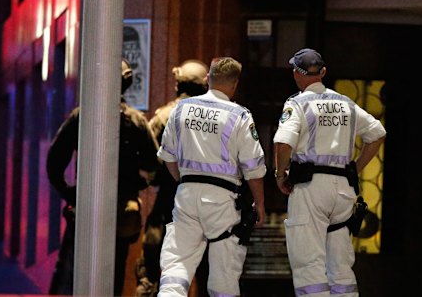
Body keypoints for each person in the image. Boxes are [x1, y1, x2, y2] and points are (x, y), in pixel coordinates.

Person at [273, 48, 386, 297]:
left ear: (296, 74)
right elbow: (377, 134)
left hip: (311, 188)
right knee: (341, 264)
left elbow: (283, 143)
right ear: (323, 72)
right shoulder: (346, 103)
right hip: (343, 190)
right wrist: (356, 167)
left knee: (308, 263)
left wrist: (280, 175)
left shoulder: (297, 103)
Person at [46, 59, 159, 296]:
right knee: (114, 276)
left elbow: (54, 163)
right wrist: (138, 184)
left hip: (85, 210)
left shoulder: (81, 116)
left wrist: (70, 192)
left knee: (73, 275)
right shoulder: (137, 121)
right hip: (122, 214)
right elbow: (155, 166)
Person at [156, 56, 267, 297]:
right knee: (224, 275)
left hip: (186, 194)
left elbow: (168, 156)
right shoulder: (240, 116)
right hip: (222, 201)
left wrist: (185, 182)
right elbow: (254, 168)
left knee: (176, 269)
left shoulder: (181, 109)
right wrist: (259, 203)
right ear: (235, 84)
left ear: (208, 79)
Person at [135, 59, 210, 297]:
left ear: (179, 85)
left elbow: (146, 159)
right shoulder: (218, 117)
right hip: (207, 206)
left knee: (153, 272)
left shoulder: (165, 116)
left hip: (169, 203)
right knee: (206, 274)